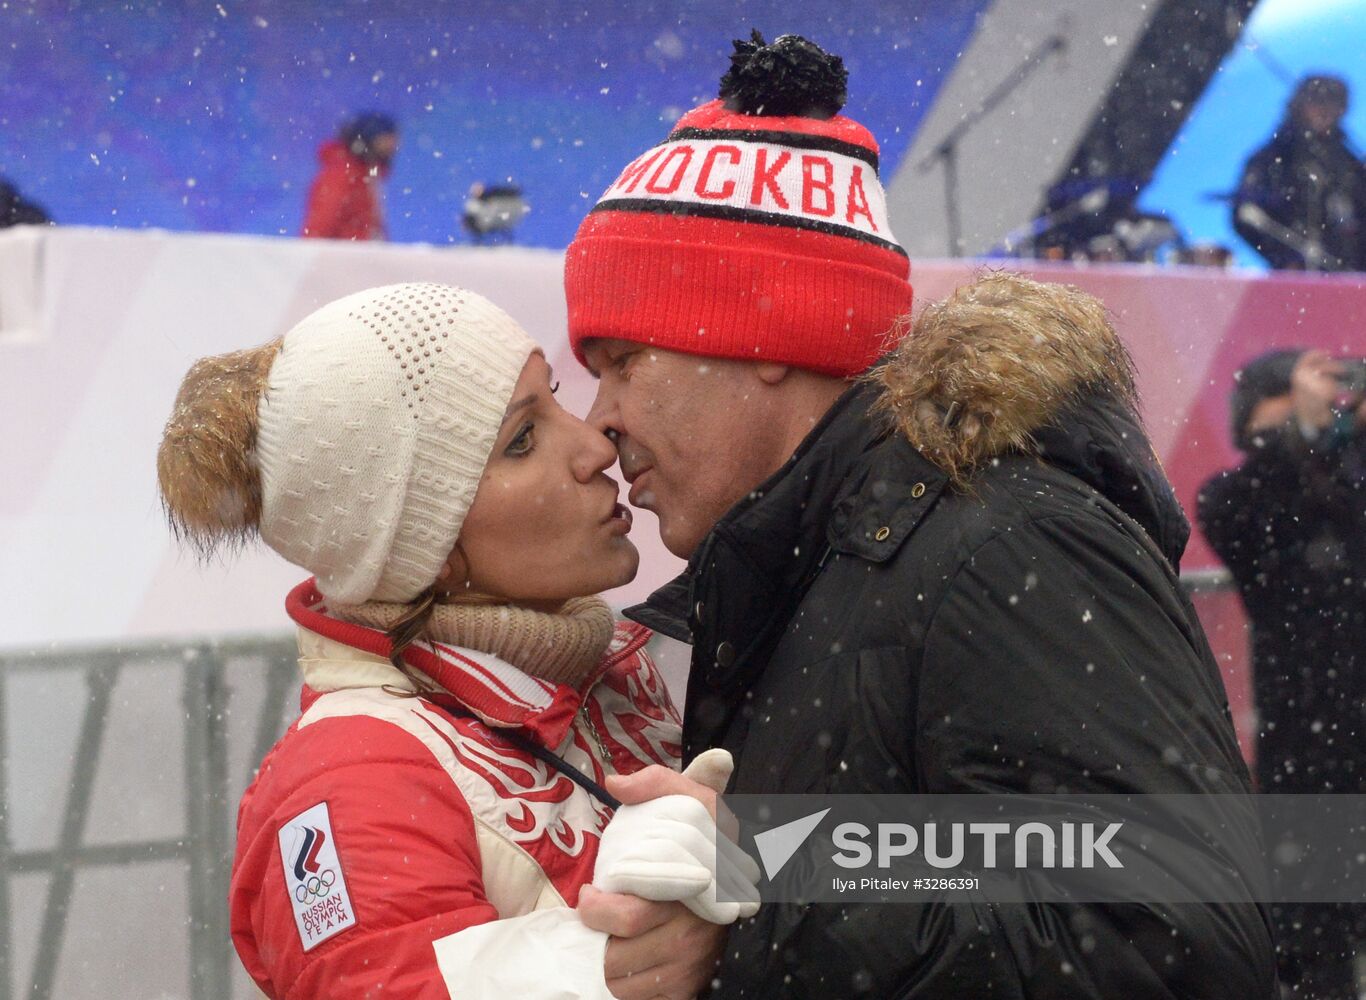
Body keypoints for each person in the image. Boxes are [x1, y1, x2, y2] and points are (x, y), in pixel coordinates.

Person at [565, 32, 1276, 998]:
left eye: (622, 363)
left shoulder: (1005, 542)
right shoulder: (805, 570)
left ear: (763, 335)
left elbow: (1165, 931)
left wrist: (752, 922)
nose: (600, 420)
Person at [156, 283, 757, 999]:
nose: (595, 444)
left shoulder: (616, 658)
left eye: (556, 395)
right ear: (427, 545)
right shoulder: (350, 775)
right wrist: (609, 965)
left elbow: (915, 868)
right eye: (522, 439)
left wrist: (757, 854)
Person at [1198, 348, 1366, 998]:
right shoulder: (1236, 498)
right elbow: (1262, 514)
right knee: (1313, 950)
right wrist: (1301, 439)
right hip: (1309, 756)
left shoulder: (1347, 478)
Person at [1232, 75, 1366, 272]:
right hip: (1298, 281)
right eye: (1317, 102)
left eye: (1334, 104)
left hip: (1351, 279)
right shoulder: (1274, 157)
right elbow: (1245, 214)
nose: (1325, 111)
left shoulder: (1349, 162)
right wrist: (1287, 259)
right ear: (1299, 104)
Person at [301, 112, 398, 240]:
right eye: (384, 143)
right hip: (344, 256)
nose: (391, 150)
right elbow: (321, 223)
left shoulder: (366, 175)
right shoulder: (342, 175)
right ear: (367, 141)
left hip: (358, 255)